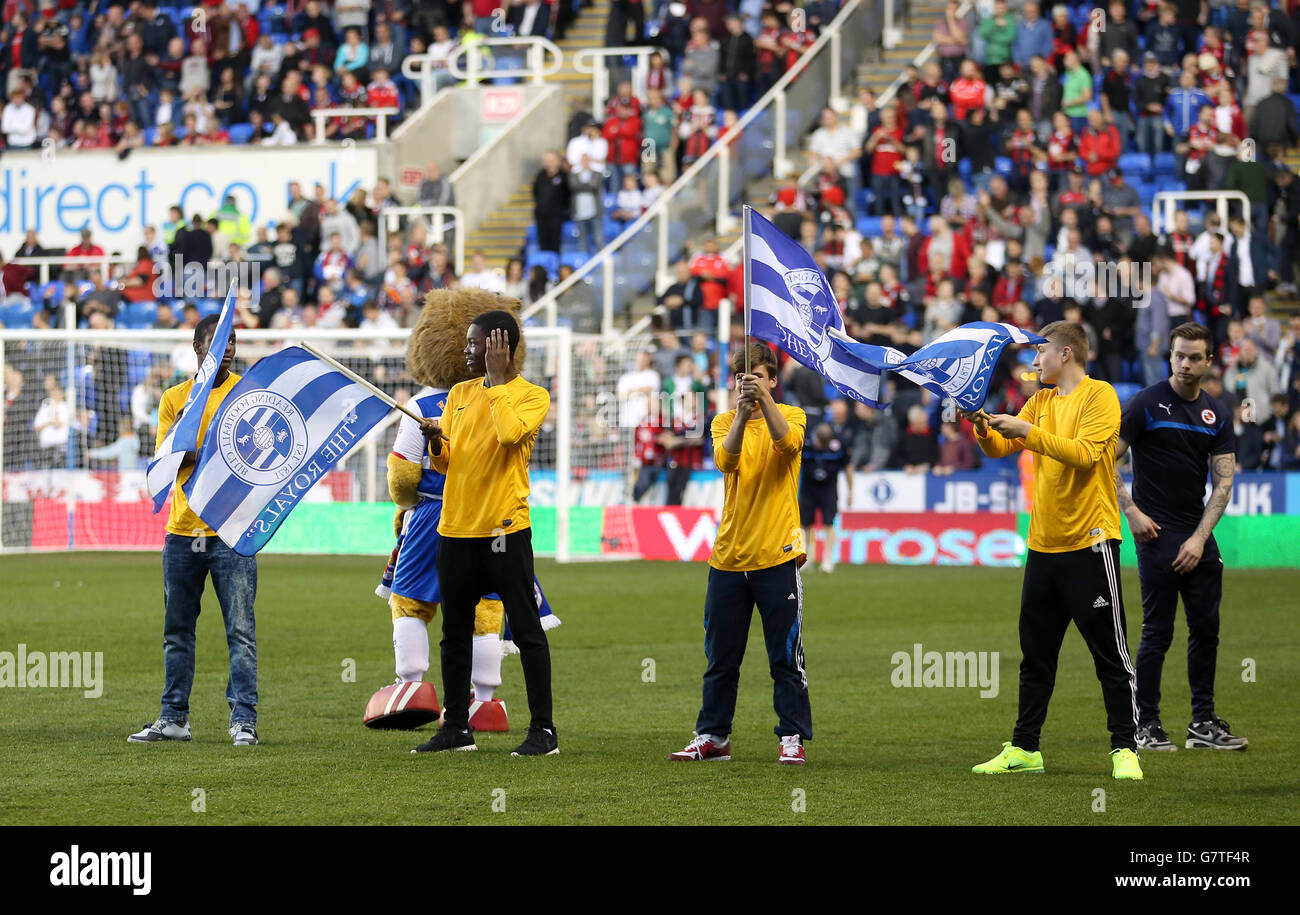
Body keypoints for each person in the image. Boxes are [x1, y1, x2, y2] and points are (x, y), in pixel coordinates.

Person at [964, 322, 1142, 780]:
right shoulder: (1040, 401)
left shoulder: (1100, 396)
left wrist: (1026, 429)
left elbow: (1084, 454)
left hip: (1091, 541)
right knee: (1036, 654)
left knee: (1110, 653)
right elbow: (1004, 445)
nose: (1033, 361)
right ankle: (1025, 748)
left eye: (1039, 352)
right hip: (1043, 544)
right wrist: (981, 424)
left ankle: (1125, 748)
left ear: (1065, 353)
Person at [414, 311, 556, 756]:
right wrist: (437, 440)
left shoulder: (532, 396)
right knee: (454, 633)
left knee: (527, 632)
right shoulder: (457, 393)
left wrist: (495, 386)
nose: (467, 351)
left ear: (500, 347)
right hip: (455, 529)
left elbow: (510, 434)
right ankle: (456, 727)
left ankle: (544, 732)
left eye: (476, 344)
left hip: (504, 532)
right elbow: (447, 462)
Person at [669, 341, 811, 766]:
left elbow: (787, 446)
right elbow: (725, 460)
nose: (747, 384)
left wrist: (763, 403)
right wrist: (744, 413)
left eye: (758, 377)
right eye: (741, 379)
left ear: (773, 381)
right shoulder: (723, 421)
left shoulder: (791, 416)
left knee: (785, 658)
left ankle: (791, 737)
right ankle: (713, 736)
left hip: (777, 555)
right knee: (720, 658)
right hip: (728, 557)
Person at [128, 316, 259, 746]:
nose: (229, 349)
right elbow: (167, 463)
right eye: (219, 342)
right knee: (177, 630)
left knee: (240, 632)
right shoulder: (174, 399)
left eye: (233, 341)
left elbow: (254, 455)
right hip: (182, 532)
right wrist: (192, 439)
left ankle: (243, 722)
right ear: (197, 349)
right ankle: (174, 718)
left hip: (231, 532)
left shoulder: (246, 392)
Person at [1117, 323, 1246, 752]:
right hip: (1155, 533)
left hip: (1198, 534)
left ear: (1209, 361)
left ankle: (1202, 724)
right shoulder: (1144, 405)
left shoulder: (1216, 412)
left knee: (1207, 629)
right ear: (1169, 356)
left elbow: (1223, 484)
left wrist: (1199, 538)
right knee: (1158, 631)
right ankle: (1147, 725)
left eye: (1194, 357)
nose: (1186, 364)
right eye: (1179, 356)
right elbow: (1102, 460)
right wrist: (1132, 512)